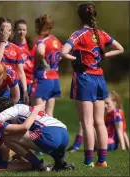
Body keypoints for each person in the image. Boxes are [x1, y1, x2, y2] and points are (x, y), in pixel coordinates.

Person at [61, 2, 124, 167]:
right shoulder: (101, 34)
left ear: (79, 17)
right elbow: (120, 48)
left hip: (85, 79)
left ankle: (88, 161)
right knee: (100, 122)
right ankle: (102, 161)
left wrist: (77, 59)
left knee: (87, 122)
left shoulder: (78, 34)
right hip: (100, 79)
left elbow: (63, 52)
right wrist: (105, 55)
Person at [0, 97, 75, 172]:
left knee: (8, 138)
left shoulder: (13, 109)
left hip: (50, 135)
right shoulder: (24, 109)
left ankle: (37, 164)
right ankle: (59, 162)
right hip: (64, 134)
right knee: (20, 135)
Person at [0, 100, 49, 172]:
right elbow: (24, 127)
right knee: (31, 166)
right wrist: (35, 110)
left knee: (12, 144)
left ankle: (24, 162)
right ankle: (40, 165)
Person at [0, 17, 29, 104]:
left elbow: (21, 72)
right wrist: (3, 42)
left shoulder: (16, 48)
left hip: (13, 89)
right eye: (2, 30)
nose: (5, 33)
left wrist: (25, 90)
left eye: (8, 30)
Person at [30, 14, 62, 116]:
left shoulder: (42, 41)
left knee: (39, 113)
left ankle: (40, 132)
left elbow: (40, 52)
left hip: (43, 78)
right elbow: (60, 56)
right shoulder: (57, 41)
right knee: (49, 114)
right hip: (55, 78)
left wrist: (44, 63)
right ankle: (49, 132)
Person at [12, 19, 36, 104]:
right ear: (14, 31)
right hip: (15, 82)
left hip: (30, 81)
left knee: (29, 109)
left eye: (24, 30)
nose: (21, 32)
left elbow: (36, 64)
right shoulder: (11, 45)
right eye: (19, 29)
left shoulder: (31, 46)